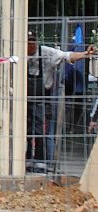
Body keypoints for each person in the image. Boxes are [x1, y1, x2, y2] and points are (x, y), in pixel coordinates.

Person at [27, 30, 94, 171]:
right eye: (28, 42)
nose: (30, 45)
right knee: (25, 132)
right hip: (22, 101)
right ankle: (26, 162)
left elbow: (67, 56)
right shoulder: (19, 53)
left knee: (41, 132)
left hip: (42, 100)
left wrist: (85, 54)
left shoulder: (46, 53)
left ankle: (40, 164)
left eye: (32, 41)